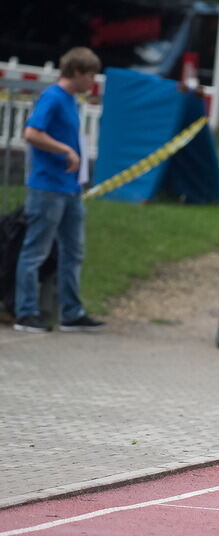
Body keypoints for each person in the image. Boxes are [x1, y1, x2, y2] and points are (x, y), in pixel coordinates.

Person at [14, 46, 104, 333]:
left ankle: (71, 311)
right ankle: (25, 311)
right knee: (36, 250)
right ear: (76, 72)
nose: (93, 82)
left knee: (73, 249)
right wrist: (65, 150)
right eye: (90, 75)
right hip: (48, 186)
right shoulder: (52, 98)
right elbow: (31, 132)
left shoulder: (70, 101)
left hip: (69, 187)